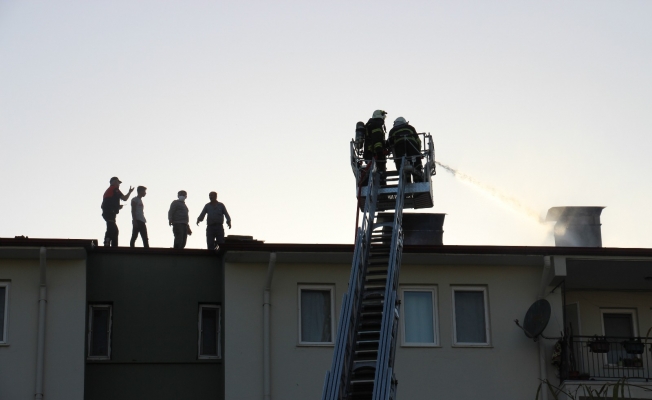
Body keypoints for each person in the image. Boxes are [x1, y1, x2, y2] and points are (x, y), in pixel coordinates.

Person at [388, 117, 423, 183]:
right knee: (416, 163)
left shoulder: (392, 130)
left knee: (401, 164)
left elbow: (390, 143)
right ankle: (418, 179)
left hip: (399, 148)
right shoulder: (410, 127)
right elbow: (418, 141)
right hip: (412, 147)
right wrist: (419, 151)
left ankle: (406, 179)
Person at [101, 177, 134, 247]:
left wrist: (117, 207)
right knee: (112, 228)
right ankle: (109, 244)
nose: (119, 184)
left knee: (113, 229)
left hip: (107, 212)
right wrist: (130, 192)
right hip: (110, 213)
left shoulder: (108, 191)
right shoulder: (114, 189)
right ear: (114, 182)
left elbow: (107, 203)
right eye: (118, 182)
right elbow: (124, 198)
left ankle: (111, 244)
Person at [364, 110, 388, 183]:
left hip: (370, 153)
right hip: (375, 153)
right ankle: (382, 182)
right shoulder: (376, 124)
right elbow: (377, 139)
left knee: (373, 174)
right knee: (379, 173)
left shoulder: (370, 124)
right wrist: (380, 152)